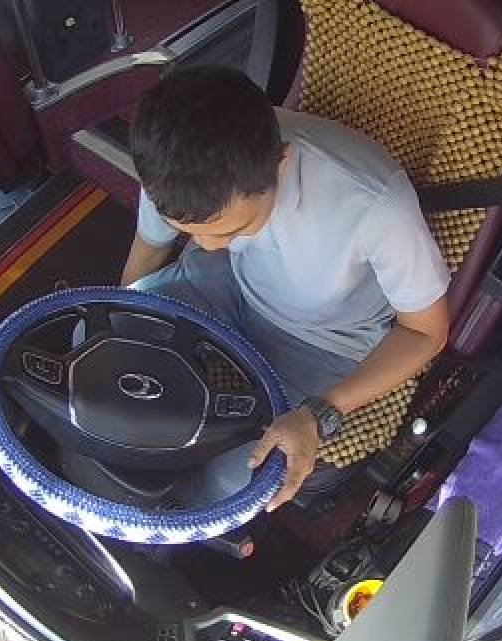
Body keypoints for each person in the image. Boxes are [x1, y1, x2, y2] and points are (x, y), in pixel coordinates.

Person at [125, 65, 451, 512]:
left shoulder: (375, 204)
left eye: (233, 229)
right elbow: (148, 249)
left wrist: (320, 413)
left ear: (281, 163)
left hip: (323, 341)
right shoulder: (175, 159)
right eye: (189, 231)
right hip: (228, 282)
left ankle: (178, 528)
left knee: (234, 479)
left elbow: (426, 331)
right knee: (100, 345)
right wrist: (122, 321)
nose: (206, 244)